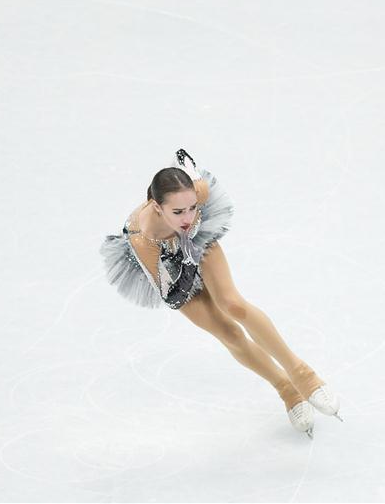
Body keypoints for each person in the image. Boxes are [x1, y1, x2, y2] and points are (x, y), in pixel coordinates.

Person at [100, 148, 342, 439]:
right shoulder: (143, 239)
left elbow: (184, 158)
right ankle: (287, 391)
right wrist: (186, 264)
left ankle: (304, 375)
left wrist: (191, 240)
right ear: (156, 207)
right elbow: (173, 296)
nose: (188, 217)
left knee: (233, 305)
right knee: (228, 332)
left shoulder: (195, 197)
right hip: (170, 273)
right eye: (178, 212)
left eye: (192, 208)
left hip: (197, 246)